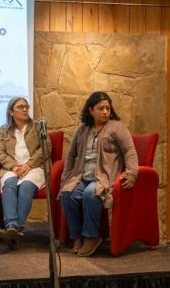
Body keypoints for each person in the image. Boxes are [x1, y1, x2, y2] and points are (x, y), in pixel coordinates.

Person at [59, 91, 139, 257]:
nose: (105, 112)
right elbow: (71, 155)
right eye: (100, 108)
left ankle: (92, 236)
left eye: (107, 108)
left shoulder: (117, 127)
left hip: (104, 177)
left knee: (90, 194)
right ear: (90, 110)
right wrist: (65, 178)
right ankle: (77, 236)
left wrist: (132, 174)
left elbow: (129, 151)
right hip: (81, 176)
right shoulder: (82, 129)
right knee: (66, 194)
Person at [0, 96, 50, 249]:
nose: (25, 109)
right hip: (13, 168)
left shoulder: (37, 126)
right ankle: (11, 225)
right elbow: (0, 153)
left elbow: (46, 148)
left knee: (26, 186)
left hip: (35, 167)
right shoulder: (4, 130)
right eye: (20, 107)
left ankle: (15, 229)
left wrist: (29, 165)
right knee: (9, 185)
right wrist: (13, 167)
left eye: (26, 106)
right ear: (11, 112)